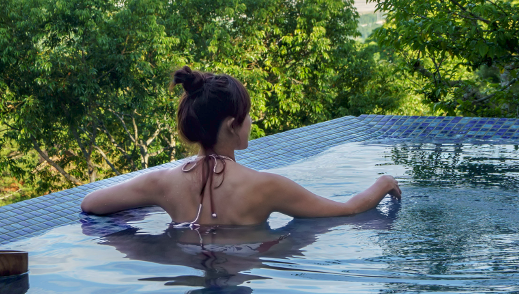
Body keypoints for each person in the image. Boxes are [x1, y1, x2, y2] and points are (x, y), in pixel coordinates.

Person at [80, 66, 401, 225]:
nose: (251, 122)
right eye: (247, 116)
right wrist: (383, 183)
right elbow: (347, 210)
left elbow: (91, 203)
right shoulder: (267, 187)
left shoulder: (161, 183)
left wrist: (149, 201)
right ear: (233, 125)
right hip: (242, 278)